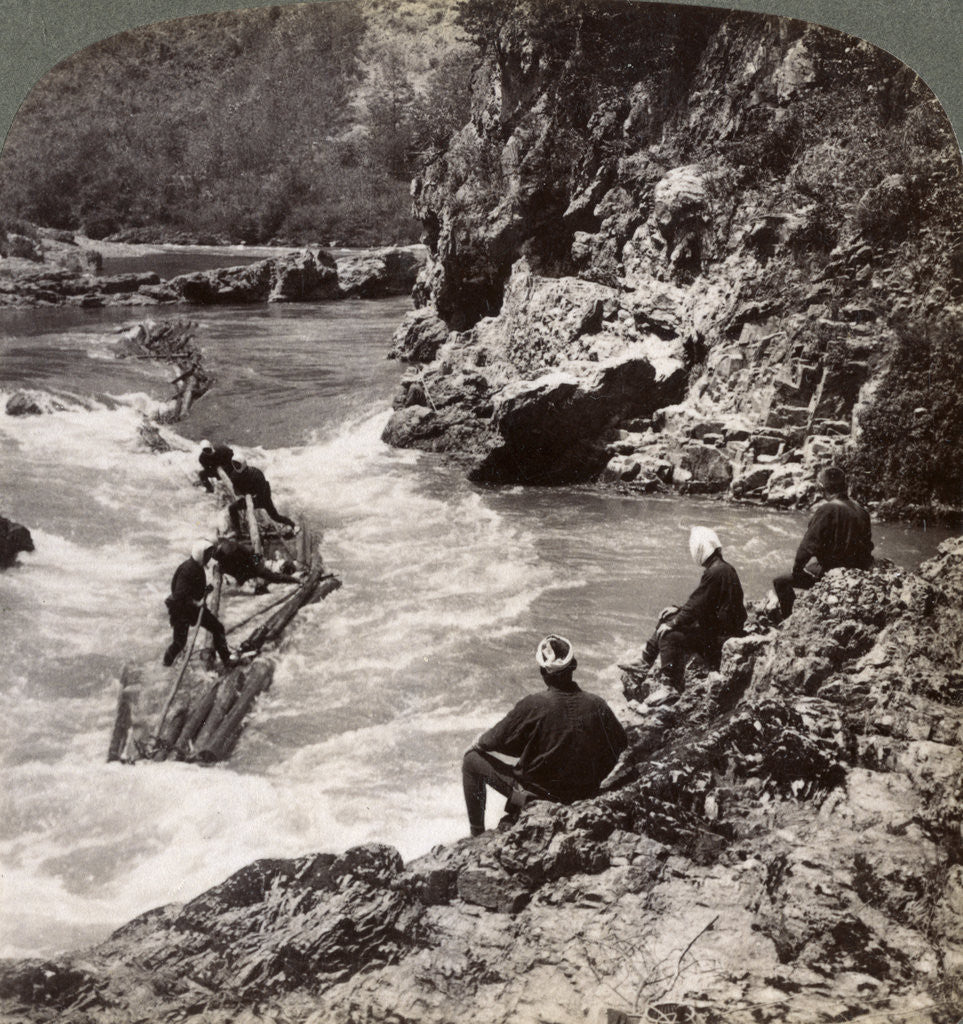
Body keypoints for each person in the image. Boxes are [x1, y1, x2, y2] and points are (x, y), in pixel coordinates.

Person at [462, 635, 627, 837]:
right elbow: (621, 743)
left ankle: (476, 834)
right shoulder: (598, 704)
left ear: (543, 672)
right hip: (585, 793)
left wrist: (478, 741)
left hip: (537, 798)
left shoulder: (534, 704)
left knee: (471, 760)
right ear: (573, 665)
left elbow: (492, 741)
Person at [625, 526, 746, 702]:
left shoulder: (715, 571)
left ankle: (670, 686)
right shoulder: (721, 568)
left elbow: (697, 605)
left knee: (669, 634)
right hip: (721, 628)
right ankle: (644, 662)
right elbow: (703, 603)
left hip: (721, 637)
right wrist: (678, 610)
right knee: (668, 617)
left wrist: (674, 622)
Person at [772, 466, 874, 620]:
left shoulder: (827, 509)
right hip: (858, 569)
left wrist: (798, 569)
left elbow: (807, 547)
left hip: (833, 570)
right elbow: (868, 545)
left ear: (821, 488)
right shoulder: (862, 511)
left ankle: (788, 620)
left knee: (780, 581)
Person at [163, 539, 234, 669]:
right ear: (200, 554)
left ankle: (226, 660)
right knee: (179, 643)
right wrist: (196, 602)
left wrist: (206, 591)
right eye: (207, 555)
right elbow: (179, 595)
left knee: (217, 628)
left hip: (192, 608)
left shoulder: (197, 566)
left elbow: (194, 590)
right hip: (181, 610)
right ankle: (166, 664)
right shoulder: (188, 569)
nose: (209, 558)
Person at [228, 455, 297, 536]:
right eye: (234, 464)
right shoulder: (234, 475)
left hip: (262, 499)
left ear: (243, 464)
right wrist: (241, 495)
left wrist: (254, 498)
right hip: (248, 497)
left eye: (237, 464)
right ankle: (238, 531)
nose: (236, 466)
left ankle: (292, 524)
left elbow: (263, 491)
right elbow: (235, 488)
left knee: (275, 516)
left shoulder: (256, 474)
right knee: (232, 508)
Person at [211, 536, 300, 593]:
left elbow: (251, 553)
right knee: (275, 577)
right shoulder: (232, 547)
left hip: (245, 571)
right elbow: (251, 552)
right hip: (249, 569)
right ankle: (297, 581)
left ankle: (296, 581)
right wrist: (258, 563)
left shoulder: (222, 557)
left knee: (273, 577)